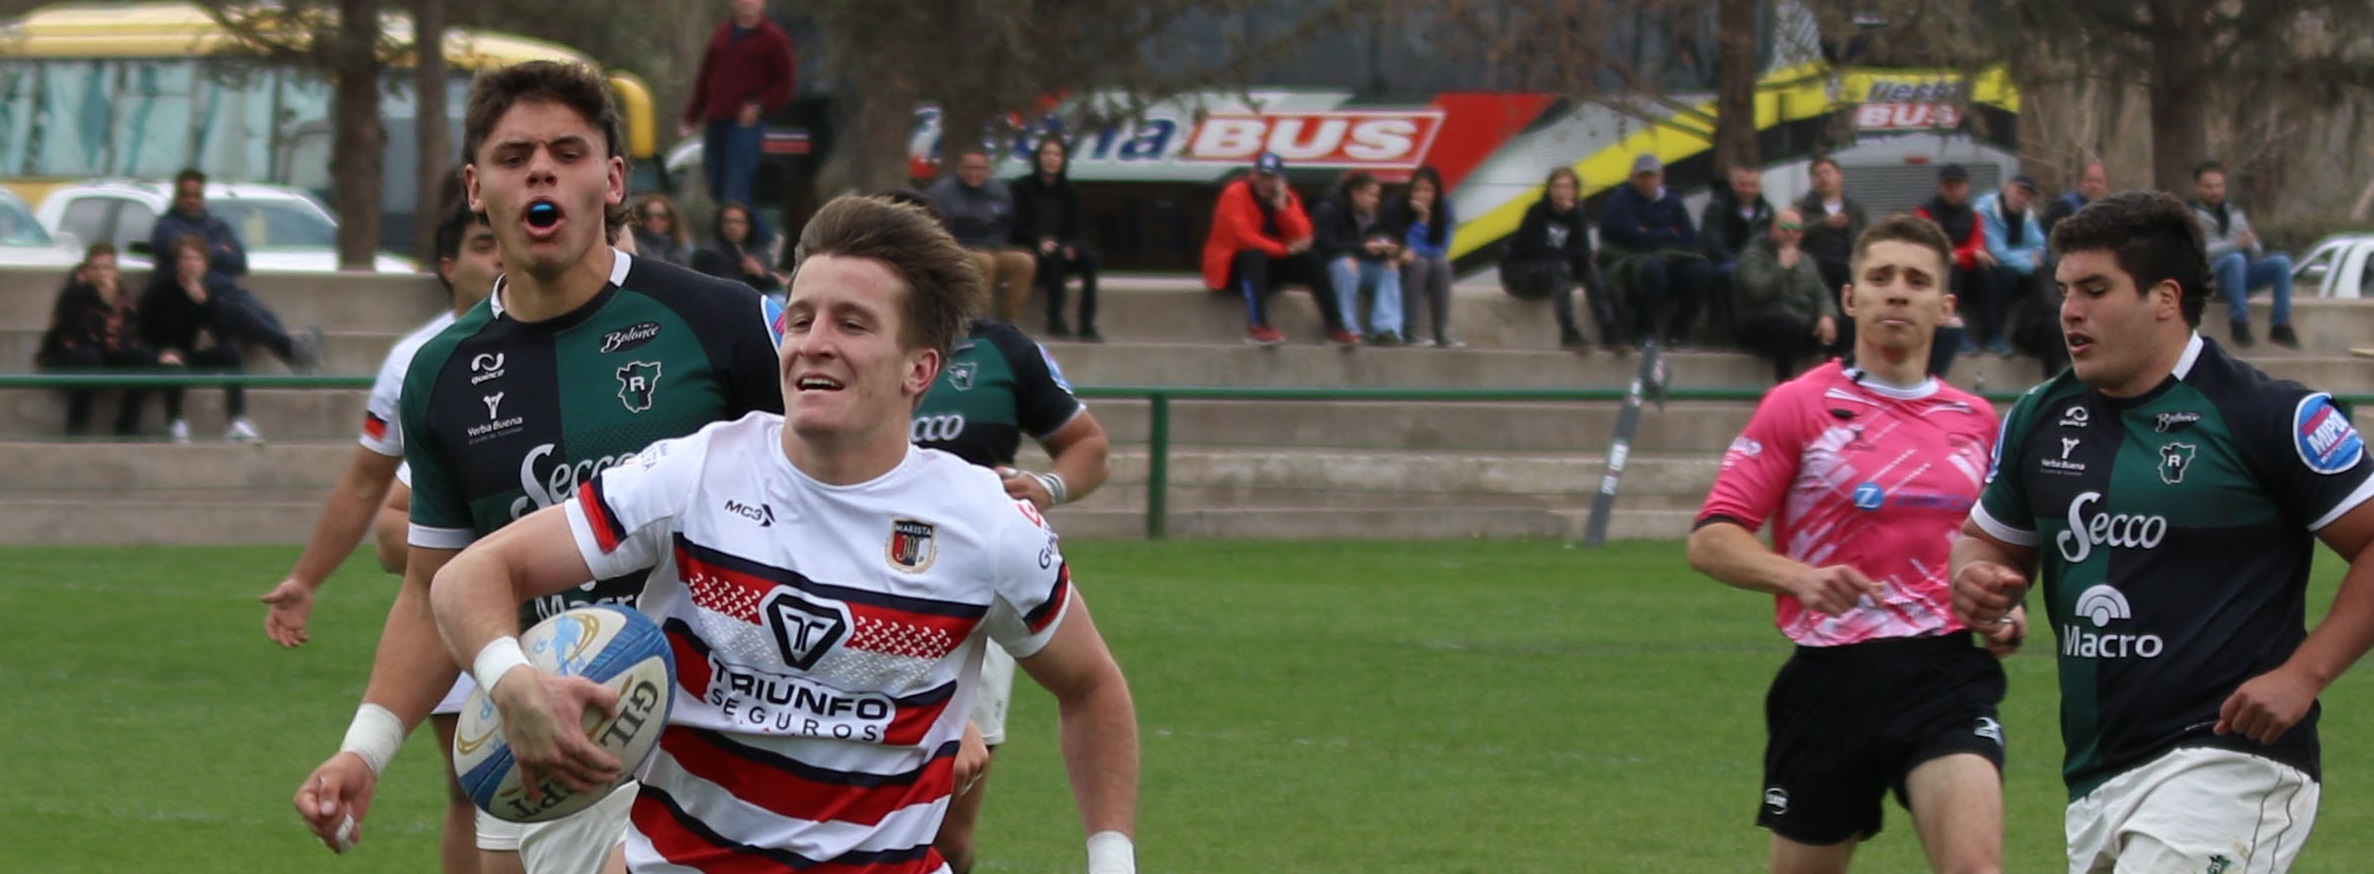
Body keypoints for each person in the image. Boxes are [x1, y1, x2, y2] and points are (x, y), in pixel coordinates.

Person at [424, 193, 1141, 873]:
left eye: (852, 325)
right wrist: (512, 682)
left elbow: (1091, 686)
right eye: (801, 320)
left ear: (919, 368)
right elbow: (470, 575)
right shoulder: (697, 473)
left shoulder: (986, 523)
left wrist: (1113, 862)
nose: (814, 344)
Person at [290, 60, 788, 874]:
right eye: (515, 156)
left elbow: (848, 494)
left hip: (723, 741)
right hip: (549, 733)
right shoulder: (441, 373)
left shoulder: (721, 321)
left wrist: (929, 691)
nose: (541, 171)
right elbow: (433, 586)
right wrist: (365, 750)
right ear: (475, 188)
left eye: (567, 151)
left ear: (613, 180)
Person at [1951, 191, 2374, 873]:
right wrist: (1975, 577)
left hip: (2230, 763)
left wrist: (2303, 676)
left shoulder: (2266, 415)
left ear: (2165, 298)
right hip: (2097, 774)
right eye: (2064, 291)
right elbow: (1985, 542)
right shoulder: (2040, 417)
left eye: (2095, 290)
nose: (2070, 310)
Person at [1691, 213, 2012, 874]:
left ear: (1945, 306)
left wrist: (2003, 605)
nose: (1897, 292)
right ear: (1850, 296)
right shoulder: (1798, 405)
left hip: (1944, 674)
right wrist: (1798, 577)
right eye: (1881, 276)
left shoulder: (1976, 421)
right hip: (1829, 678)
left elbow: (1991, 548)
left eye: (1917, 280)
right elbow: (1713, 539)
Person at [259, 201, 501, 874]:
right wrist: (306, 578)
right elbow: (374, 492)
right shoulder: (419, 361)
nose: (498, 257)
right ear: (448, 266)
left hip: (571, 606)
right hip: (457, 605)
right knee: (476, 785)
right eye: (482, 244)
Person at [908, 316, 1111, 872]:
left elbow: (1089, 446)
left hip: (974, 595)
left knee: (947, 834)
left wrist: (1047, 485)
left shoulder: (1003, 350)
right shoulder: (844, 339)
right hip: (852, 580)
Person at [147, 167, 324, 372]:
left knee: (254, 307)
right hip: (197, 299)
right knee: (237, 311)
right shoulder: (167, 227)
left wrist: (207, 252)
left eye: (196, 195)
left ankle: (294, 353)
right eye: (186, 195)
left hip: (228, 291)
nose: (191, 200)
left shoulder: (216, 225)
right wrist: (218, 250)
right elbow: (177, 251)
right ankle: (293, 351)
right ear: (177, 196)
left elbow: (239, 261)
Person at [1201, 152, 1355, 347]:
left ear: (1279, 180)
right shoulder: (1235, 193)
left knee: (1311, 259)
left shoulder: (1287, 197)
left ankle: (1336, 327)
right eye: (1261, 176)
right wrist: (1283, 250)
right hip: (1231, 269)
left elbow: (1304, 237)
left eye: (1270, 178)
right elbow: (1242, 237)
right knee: (1254, 255)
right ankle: (1258, 326)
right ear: (1253, 175)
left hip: (1268, 268)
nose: (1264, 183)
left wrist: (1283, 208)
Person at [682, 0, 795, 238]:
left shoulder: (773, 38)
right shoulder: (722, 33)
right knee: (717, 186)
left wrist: (759, 105)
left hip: (744, 125)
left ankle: (759, 240)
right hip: (716, 119)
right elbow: (706, 76)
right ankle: (761, 234)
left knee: (736, 190)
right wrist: (692, 115)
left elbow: (785, 84)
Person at [139, 235, 262, 444]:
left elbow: (222, 335)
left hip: (186, 356)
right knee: (174, 368)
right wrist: (159, 354)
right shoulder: (161, 289)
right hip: (159, 357)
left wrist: (204, 304)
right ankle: (176, 422)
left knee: (231, 352)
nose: (191, 264)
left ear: (205, 265)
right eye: (186, 258)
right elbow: (139, 328)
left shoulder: (205, 292)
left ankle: (236, 421)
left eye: (196, 259)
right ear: (178, 263)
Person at [37, 243, 159, 437]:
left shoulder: (123, 297)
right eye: (96, 268)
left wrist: (111, 303)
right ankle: (77, 428)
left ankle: (128, 427)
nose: (102, 273)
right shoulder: (74, 294)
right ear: (87, 271)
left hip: (108, 352)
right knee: (89, 357)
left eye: (107, 268)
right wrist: (105, 303)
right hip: (71, 354)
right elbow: (77, 332)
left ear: (116, 271)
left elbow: (131, 332)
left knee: (142, 358)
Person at [1598, 153, 1712, 349]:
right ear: (1632, 177)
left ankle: (1680, 332)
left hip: (1672, 260)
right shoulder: (1620, 201)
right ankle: (1645, 330)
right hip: (1632, 262)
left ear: (1661, 177)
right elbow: (1630, 236)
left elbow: (1689, 238)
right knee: (1653, 269)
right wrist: (1668, 232)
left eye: (1651, 176)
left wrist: (1649, 232)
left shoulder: (1673, 201)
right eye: (1641, 176)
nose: (1646, 182)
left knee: (1701, 270)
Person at [1500, 166, 1616, 352]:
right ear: (1549, 189)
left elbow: (1584, 253)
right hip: (1522, 275)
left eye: (1567, 187)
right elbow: (1535, 250)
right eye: (1557, 186)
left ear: (1574, 191)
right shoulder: (1536, 212)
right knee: (1560, 267)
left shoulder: (1577, 215)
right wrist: (1568, 254)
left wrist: (1573, 218)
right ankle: (1569, 332)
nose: (1561, 191)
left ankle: (1609, 330)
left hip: (1556, 274)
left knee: (1590, 269)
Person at [2191, 161, 2299, 349]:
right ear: (2198, 187)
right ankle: (2239, 322)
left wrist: (2251, 244)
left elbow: (2255, 251)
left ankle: (2280, 325)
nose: (2215, 191)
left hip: (2239, 276)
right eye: (2209, 187)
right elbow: (2199, 252)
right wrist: (2235, 245)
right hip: (2209, 279)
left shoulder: (2235, 213)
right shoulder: (2189, 215)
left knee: (2281, 261)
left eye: (2219, 186)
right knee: (2235, 259)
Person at [927, 148, 1037, 323]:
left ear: (988, 169)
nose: (974, 173)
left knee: (1025, 261)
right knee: (985, 262)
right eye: (969, 168)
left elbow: (1007, 223)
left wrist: (1000, 244)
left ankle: (1009, 321)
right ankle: (980, 321)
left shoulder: (1000, 191)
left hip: (994, 247)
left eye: (979, 168)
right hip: (959, 250)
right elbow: (933, 227)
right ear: (960, 168)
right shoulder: (942, 192)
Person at [1730, 208, 1837, 383]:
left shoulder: (1806, 260)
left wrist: (1827, 315)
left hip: (1800, 323)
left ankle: (1836, 382)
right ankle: (1783, 383)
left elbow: (1822, 293)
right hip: (1761, 324)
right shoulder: (1753, 255)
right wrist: (1782, 268)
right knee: (1788, 324)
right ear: (1772, 230)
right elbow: (1758, 292)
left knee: (1846, 326)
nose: (1791, 234)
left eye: (1796, 230)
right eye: (1785, 228)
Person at [1010, 137, 1101, 341]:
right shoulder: (1022, 187)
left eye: (1056, 154)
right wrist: (1039, 242)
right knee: (1055, 258)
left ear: (1063, 160)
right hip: (1033, 250)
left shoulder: (1071, 191)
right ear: (1038, 158)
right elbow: (1016, 225)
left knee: (1090, 260)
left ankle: (1087, 323)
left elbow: (1079, 226)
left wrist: (1072, 245)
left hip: (1063, 248)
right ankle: (1055, 320)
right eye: (1046, 153)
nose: (1051, 159)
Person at [1312, 171, 1405, 344]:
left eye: (1377, 196)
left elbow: (1375, 238)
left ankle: (1386, 328)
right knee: (1346, 263)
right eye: (1371, 195)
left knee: (1390, 266)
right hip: (1330, 269)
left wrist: (1386, 246)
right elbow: (1323, 247)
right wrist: (1361, 249)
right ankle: (1346, 327)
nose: (1375, 201)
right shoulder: (1328, 209)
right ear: (1355, 193)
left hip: (1359, 265)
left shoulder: (1370, 215)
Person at [1973, 176, 2046, 359]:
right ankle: (1992, 336)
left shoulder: (2026, 214)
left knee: (2043, 276)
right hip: (1981, 269)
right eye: (2019, 192)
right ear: (2007, 188)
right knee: (2006, 275)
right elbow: (1997, 252)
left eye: (2027, 196)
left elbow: (2039, 245)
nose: (2022, 199)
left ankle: (2029, 336)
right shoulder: (1986, 209)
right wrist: (2029, 261)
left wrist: (2031, 259)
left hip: (2013, 268)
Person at [1701, 165, 1776, 336]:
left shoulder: (1767, 210)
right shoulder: (1717, 207)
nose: (1748, 190)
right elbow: (1713, 242)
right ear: (1733, 185)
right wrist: (1739, 263)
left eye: (1753, 185)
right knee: (1730, 274)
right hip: (1726, 261)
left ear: (1760, 187)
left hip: (1757, 262)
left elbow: (1771, 242)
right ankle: (1730, 327)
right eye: (1743, 185)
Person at [1390, 165, 1459, 348]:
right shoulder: (1398, 205)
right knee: (1420, 264)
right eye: (1417, 189)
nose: (1422, 195)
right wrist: (1421, 221)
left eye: (1427, 190)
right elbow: (1405, 247)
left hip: (1428, 261)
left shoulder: (1444, 206)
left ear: (1436, 192)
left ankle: (1441, 332)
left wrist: (1426, 217)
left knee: (1442, 265)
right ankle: (1409, 330)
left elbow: (1442, 247)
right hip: (1399, 263)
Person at [1796, 156, 1870, 303]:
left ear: (1839, 176)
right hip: (1817, 273)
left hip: (1849, 272)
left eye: (1827, 172)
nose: (1823, 178)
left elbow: (1867, 237)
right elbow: (1795, 231)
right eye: (1817, 175)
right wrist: (1824, 223)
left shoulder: (1855, 209)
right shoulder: (1802, 207)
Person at [691, 201, 783, 298]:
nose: (733, 227)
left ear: (748, 226)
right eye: (727, 222)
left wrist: (762, 274)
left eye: (738, 222)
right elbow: (732, 287)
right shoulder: (708, 254)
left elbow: (774, 282)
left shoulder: (755, 250)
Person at [2040, 161, 2107, 238]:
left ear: (2105, 186)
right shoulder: (2063, 206)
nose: (2093, 185)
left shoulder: (2106, 212)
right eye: (2089, 180)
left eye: (2099, 182)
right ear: (2080, 182)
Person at [628, 194, 694, 267]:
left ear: (671, 219)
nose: (655, 221)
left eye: (661, 216)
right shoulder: (632, 248)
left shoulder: (684, 249)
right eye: (648, 217)